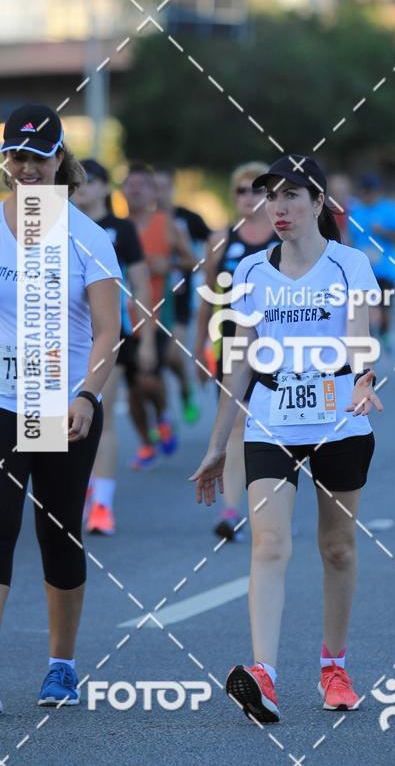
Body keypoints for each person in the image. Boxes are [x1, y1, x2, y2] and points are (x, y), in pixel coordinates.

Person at [191, 155, 383, 723]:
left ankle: (334, 666)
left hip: (340, 418)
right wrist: (217, 442)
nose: (279, 206)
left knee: (337, 548)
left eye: (292, 195)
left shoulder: (349, 265)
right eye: (270, 196)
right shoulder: (250, 272)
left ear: (319, 203)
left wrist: (364, 381)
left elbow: (359, 338)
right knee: (269, 545)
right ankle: (264, 677)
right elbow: (241, 360)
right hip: (271, 420)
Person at [0, 104, 121, 710]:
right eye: (15, 156)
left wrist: (86, 395)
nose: (26, 168)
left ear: (58, 161)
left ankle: (61, 664)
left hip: (58, 402)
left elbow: (108, 330)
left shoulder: (86, 235)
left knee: (57, 530)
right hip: (1, 399)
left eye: (37, 156)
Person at [194, 162, 278, 542]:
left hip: (278, 345)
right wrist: (198, 344)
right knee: (237, 427)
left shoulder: (283, 237)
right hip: (232, 342)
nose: (249, 197)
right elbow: (207, 296)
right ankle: (231, 512)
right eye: (241, 190)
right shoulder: (221, 239)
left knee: (275, 430)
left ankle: (277, 504)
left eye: (256, 190)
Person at [74, 158, 155, 535]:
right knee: (47, 424)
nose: (83, 187)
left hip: (107, 336)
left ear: (106, 188)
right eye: (77, 181)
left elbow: (140, 284)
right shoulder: (57, 226)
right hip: (57, 342)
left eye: (91, 181)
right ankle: (68, 494)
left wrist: (144, 333)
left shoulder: (119, 231)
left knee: (97, 421)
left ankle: (102, 504)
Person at [121, 162, 196, 469]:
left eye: (143, 185)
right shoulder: (116, 227)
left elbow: (193, 261)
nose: (136, 190)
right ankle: (147, 443)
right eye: (131, 184)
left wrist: (171, 266)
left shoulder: (167, 224)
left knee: (149, 377)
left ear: (153, 191)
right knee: (134, 390)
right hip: (122, 318)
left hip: (158, 314)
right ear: (123, 190)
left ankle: (164, 415)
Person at [154, 167, 210, 424]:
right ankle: (162, 414)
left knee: (171, 355)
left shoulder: (187, 219)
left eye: (164, 186)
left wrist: (174, 263)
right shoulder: (143, 220)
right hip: (149, 300)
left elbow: (209, 250)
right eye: (154, 187)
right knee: (152, 366)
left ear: (172, 188)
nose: (159, 192)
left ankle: (186, 390)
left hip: (179, 299)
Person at [348, 174, 395, 350]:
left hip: (385, 268)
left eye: (371, 191)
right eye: (365, 192)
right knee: (363, 307)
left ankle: (384, 332)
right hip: (362, 269)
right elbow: (351, 238)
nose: (368, 195)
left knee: (385, 307)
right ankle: (368, 338)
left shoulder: (389, 209)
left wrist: (383, 231)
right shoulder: (355, 211)